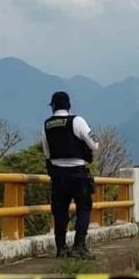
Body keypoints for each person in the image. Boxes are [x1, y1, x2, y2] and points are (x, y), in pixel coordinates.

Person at [42, 91, 99, 259]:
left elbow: (47, 153)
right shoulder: (77, 121)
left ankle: (61, 248)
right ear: (69, 106)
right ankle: (79, 246)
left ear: (53, 106)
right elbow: (94, 144)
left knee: (60, 211)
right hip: (78, 173)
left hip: (58, 175)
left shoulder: (46, 125)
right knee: (84, 208)